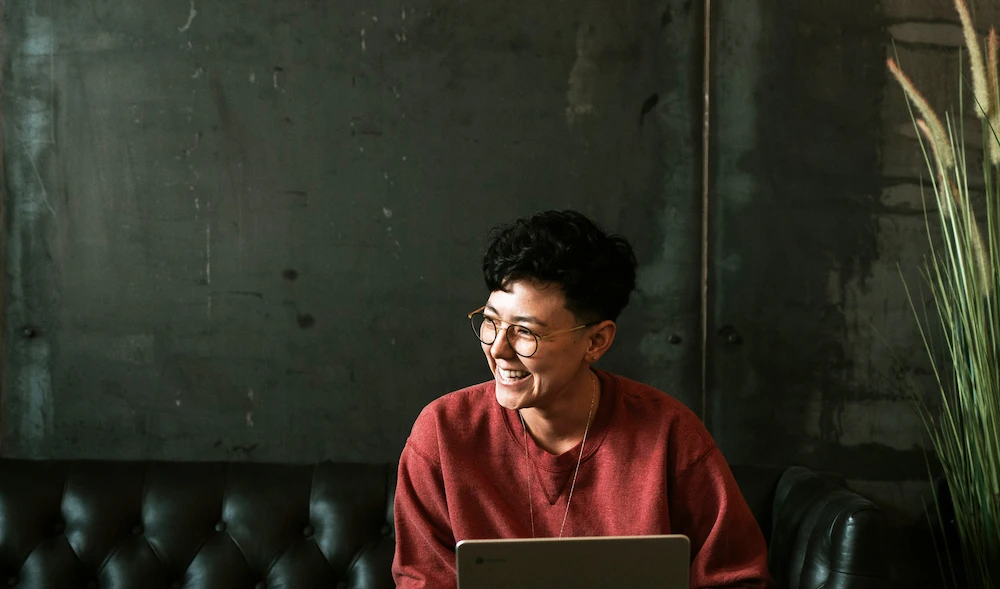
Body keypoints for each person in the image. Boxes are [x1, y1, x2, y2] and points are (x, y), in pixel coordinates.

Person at [392, 210, 773, 588]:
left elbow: (737, 579)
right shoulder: (443, 433)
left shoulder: (670, 435)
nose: (498, 348)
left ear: (596, 342)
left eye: (525, 332)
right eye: (490, 321)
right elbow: (423, 582)